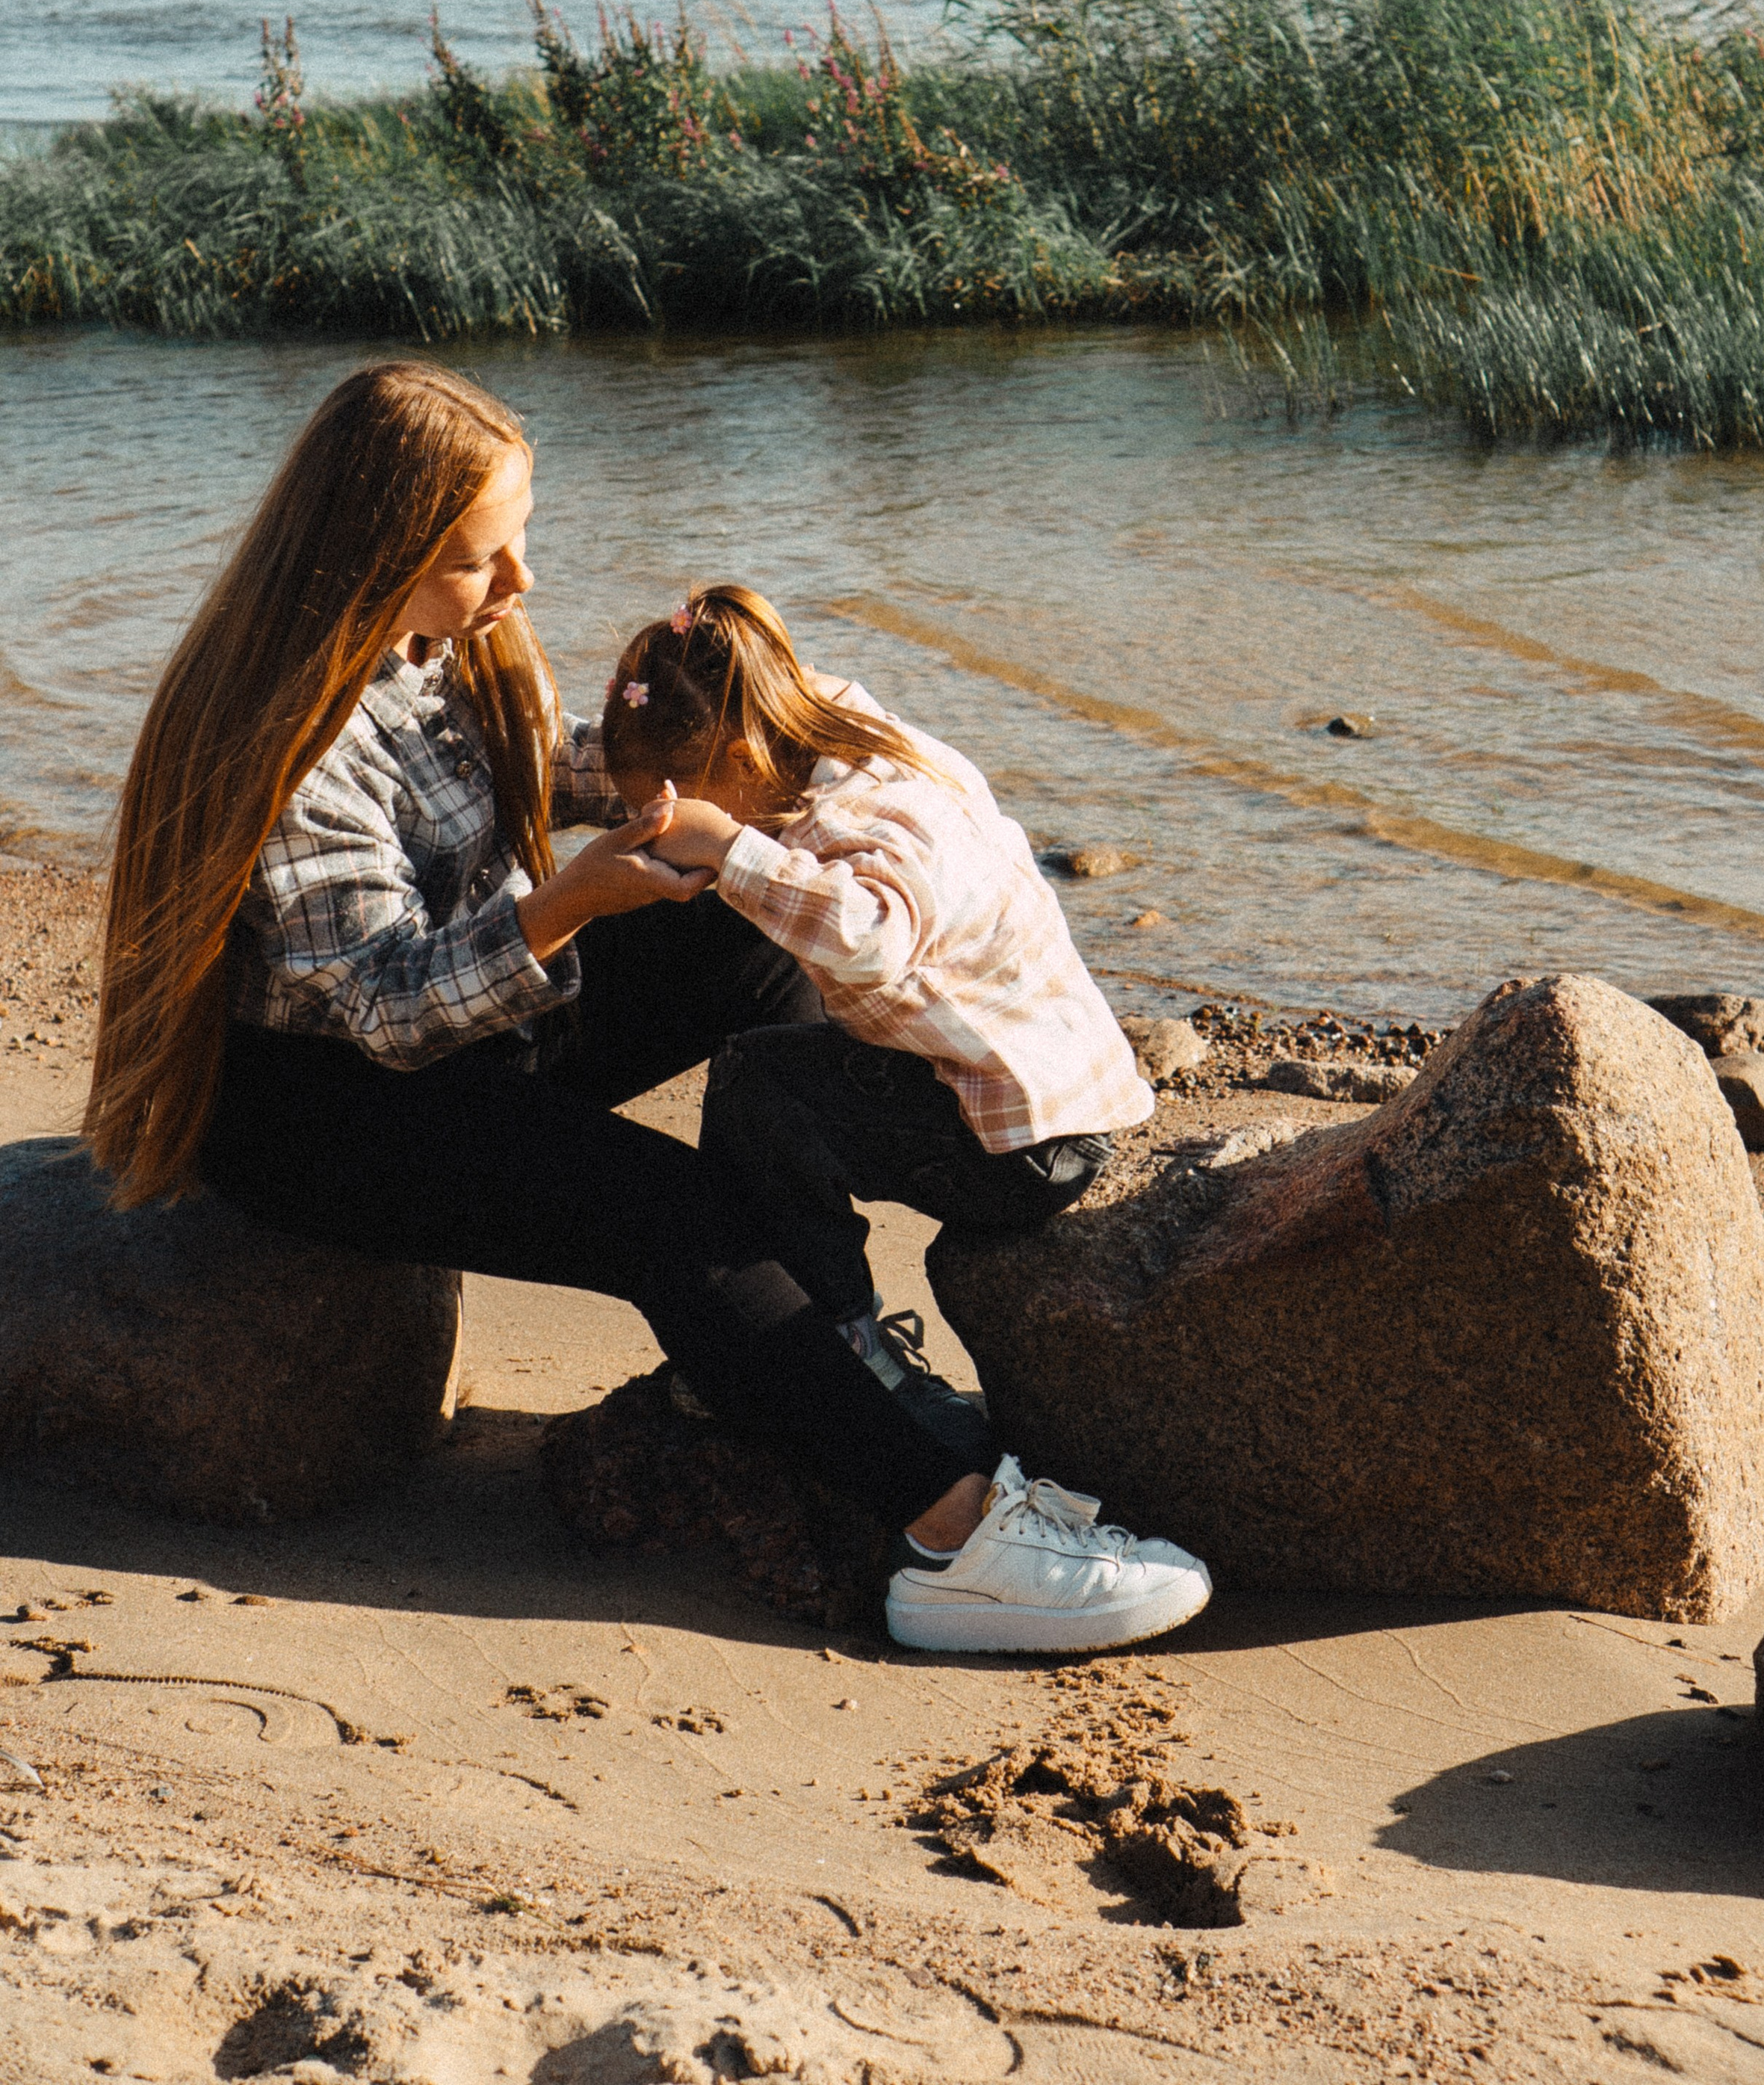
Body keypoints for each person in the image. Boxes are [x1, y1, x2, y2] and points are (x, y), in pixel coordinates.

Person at [86, 362, 1210, 1655]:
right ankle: (949, 1534)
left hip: (474, 1025)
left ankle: (824, 1338)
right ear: (370, 558)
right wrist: (565, 909)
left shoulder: (438, 638)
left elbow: (558, 772)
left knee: (761, 952)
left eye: (519, 540)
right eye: (481, 560)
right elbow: (386, 1007)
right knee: (671, 1217)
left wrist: (756, 760)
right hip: (326, 1106)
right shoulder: (296, 742)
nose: (520, 586)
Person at [596, 582, 1154, 1453]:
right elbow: (700, 723)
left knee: (759, 1085)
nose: (656, 834)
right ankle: (793, 1320)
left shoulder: (861, 825)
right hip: (1051, 1090)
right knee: (778, 1056)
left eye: (665, 817)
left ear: (741, 758)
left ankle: (847, 1346)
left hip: (1015, 1145)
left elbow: (873, 940)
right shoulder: (841, 730)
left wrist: (730, 851)